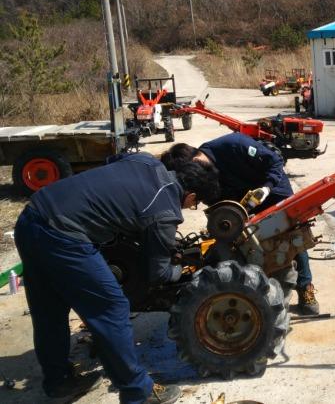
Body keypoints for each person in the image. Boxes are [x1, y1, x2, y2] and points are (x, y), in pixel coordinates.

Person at [15, 153, 219, 403]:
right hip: (64, 236)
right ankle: (138, 392)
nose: (189, 208)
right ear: (191, 196)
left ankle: (59, 382)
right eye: (195, 204)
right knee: (112, 308)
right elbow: (159, 273)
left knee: (49, 310)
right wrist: (184, 269)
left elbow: (112, 163)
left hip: (32, 216)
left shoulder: (145, 161)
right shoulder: (164, 211)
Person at [161, 133, 320, 315]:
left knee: (291, 233)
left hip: (271, 190)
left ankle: (305, 286)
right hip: (241, 201)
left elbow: (275, 161)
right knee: (243, 244)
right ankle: (257, 289)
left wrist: (267, 187)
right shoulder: (203, 178)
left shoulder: (233, 145)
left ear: (195, 160)